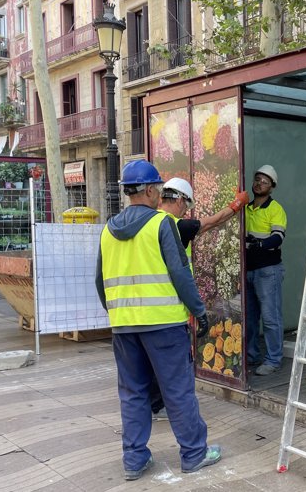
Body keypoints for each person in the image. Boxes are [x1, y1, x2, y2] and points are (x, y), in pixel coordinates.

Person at [95, 160, 221, 480]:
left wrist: (118, 314)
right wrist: (199, 311)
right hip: (164, 325)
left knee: (133, 392)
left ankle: (134, 459)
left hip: (124, 326)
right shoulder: (161, 224)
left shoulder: (109, 229)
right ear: (150, 190)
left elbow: (100, 281)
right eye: (157, 188)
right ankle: (194, 453)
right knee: (177, 390)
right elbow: (180, 274)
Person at [150, 177, 249, 419]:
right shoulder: (176, 226)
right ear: (181, 200)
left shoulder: (150, 222)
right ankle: (171, 411)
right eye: (186, 206)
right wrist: (237, 204)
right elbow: (213, 222)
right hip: (169, 308)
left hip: (142, 311)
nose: (186, 211)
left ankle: (153, 405)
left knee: (151, 364)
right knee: (175, 365)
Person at [245, 165, 287, 376]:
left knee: (271, 318)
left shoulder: (275, 208)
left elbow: (278, 237)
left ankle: (273, 359)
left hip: (268, 270)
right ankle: (251, 356)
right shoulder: (247, 208)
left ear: (272, 187)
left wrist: (259, 245)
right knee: (249, 318)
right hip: (249, 270)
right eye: (257, 179)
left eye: (264, 181)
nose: (259, 183)